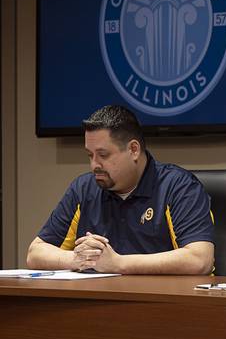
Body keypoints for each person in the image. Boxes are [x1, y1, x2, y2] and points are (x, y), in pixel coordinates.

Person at [27, 105, 215, 274]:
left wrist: (118, 263)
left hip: (165, 305)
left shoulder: (178, 187)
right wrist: (80, 258)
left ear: (133, 149)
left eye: (103, 155)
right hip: (98, 304)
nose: (94, 165)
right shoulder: (83, 189)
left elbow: (199, 260)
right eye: (90, 155)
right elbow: (35, 253)